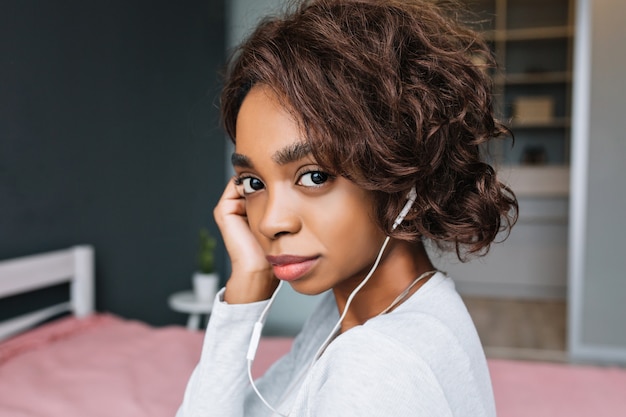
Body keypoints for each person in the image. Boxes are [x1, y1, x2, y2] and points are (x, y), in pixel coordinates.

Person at [177, 0, 517, 415]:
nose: (270, 222)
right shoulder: (377, 308)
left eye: (315, 176)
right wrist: (245, 288)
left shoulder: (373, 366)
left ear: (401, 171)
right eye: (254, 183)